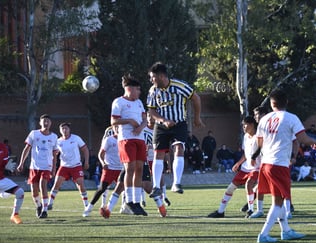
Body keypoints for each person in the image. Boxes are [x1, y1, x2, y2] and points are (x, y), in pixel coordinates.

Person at [254, 90, 316, 243]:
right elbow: (302, 138)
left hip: (266, 163)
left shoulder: (264, 119)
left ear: (271, 103)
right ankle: (263, 234)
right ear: (286, 102)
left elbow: (259, 142)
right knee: (278, 201)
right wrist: (314, 142)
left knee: (281, 198)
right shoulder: (291, 118)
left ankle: (286, 231)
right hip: (279, 164)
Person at [147, 62, 204, 197]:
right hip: (161, 125)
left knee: (179, 148)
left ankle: (176, 183)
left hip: (179, 123)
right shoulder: (153, 90)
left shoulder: (179, 86)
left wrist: (197, 118)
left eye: (153, 77)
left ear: (161, 76)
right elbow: (151, 110)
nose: (151, 80)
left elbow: (196, 98)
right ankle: (156, 187)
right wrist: (163, 120)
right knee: (158, 154)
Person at [208, 116, 260, 218]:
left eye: (245, 125)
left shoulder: (259, 136)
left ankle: (250, 210)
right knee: (230, 189)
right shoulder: (245, 137)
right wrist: (238, 163)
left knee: (249, 184)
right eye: (242, 125)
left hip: (256, 168)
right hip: (245, 168)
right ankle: (220, 211)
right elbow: (246, 154)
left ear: (252, 125)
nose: (243, 127)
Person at [111, 74, 148, 216]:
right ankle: (129, 201)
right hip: (126, 138)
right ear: (129, 89)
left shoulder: (139, 103)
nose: (139, 92)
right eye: (137, 89)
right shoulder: (118, 102)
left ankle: (136, 202)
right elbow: (113, 121)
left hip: (140, 138)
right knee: (130, 168)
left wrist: (140, 127)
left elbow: (145, 119)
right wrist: (130, 121)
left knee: (139, 168)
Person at [17, 114, 58, 219]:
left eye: (48, 121)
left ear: (50, 123)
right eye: (44, 121)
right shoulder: (34, 134)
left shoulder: (54, 137)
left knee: (42, 185)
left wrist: (54, 169)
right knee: (34, 190)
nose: (46, 123)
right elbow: (27, 148)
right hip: (34, 166)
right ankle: (39, 206)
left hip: (46, 167)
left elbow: (55, 154)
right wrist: (21, 163)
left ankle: (44, 211)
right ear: (40, 122)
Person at [48, 122, 90, 213]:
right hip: (64, 166)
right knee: (56, 184)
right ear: (60, 130)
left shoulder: (76, 138)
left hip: (76, 166)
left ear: (69, 129)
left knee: (80, 185)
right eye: (62, 129)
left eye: (66, 128)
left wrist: (86, 161)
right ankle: (49, 203)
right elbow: (54, 153)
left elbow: (85, 149)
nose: (64, 130)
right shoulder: (58, 141)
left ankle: (87, 205)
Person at [83, 126, 123, 217]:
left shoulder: (124, 140)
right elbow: (100, 154)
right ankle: (88, 208)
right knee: (101, 189)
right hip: (109, 168)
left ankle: (123, 207)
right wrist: (103, 163)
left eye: (119, 127)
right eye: (116, 127)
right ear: (113, 129)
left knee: (124, 189)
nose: (117, 129)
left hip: (121, 169)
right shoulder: (109, 140)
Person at [0, 126, 24, 224]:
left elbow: (4, 164)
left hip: (1, 179)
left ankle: (15, 215)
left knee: (20, 192)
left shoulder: (3, 147)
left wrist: (8, 167)